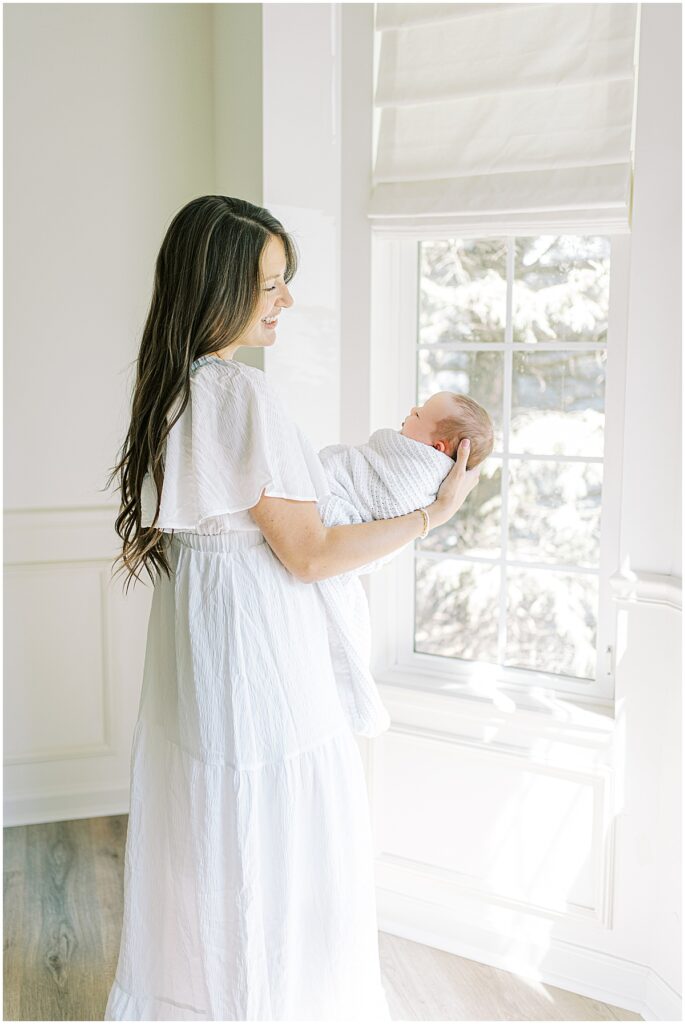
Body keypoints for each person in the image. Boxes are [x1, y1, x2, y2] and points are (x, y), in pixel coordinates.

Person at [103, 195, 481, 1022]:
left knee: (217, 839)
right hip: (257, 659)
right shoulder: (238, 394)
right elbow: (308, 555)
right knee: (273, 849)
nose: (286, 300)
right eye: (270, 284)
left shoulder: (173, 384)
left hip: (204, 654)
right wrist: (432, 515)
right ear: (217, 286)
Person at [312, 394, 492, 740]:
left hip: (335, 514)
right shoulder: (423, 484)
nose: (409, 411)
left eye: (419, 413)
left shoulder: (416, 480)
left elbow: (382, 503)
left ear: (437, 448)